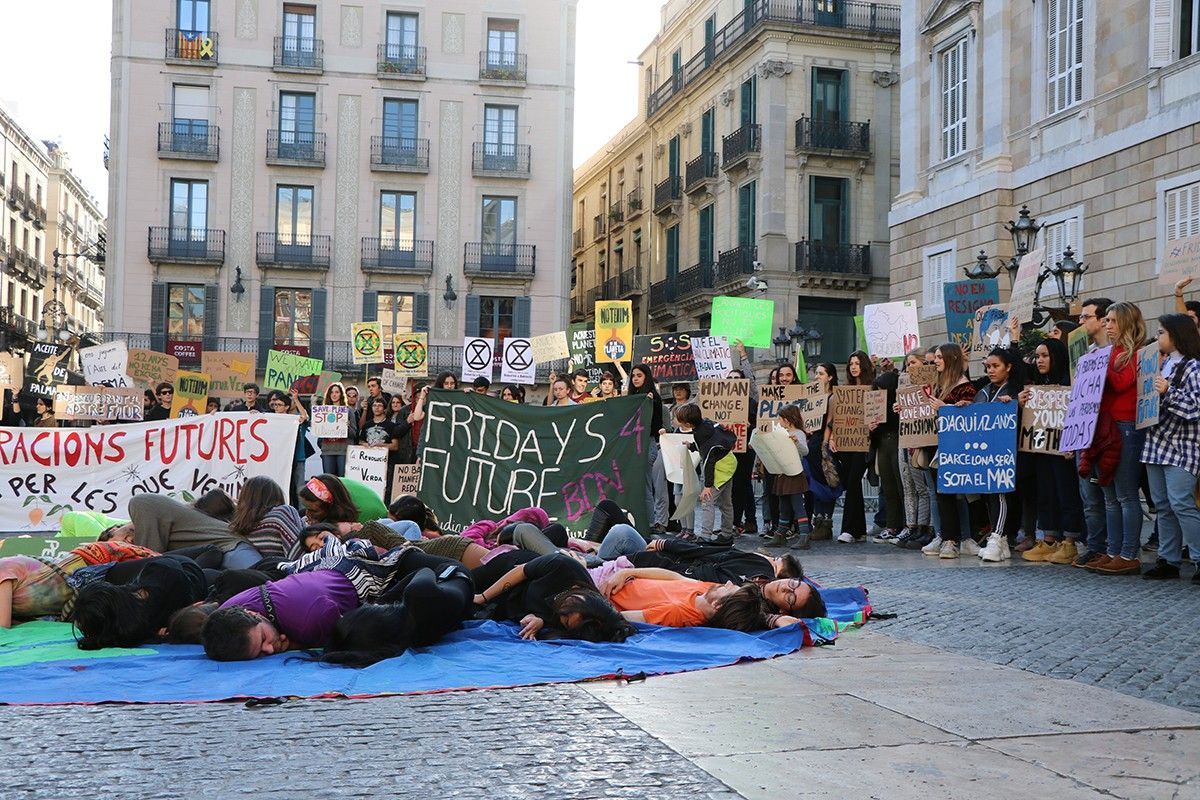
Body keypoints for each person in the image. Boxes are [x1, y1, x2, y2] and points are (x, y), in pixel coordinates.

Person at [1083, 301, 1147, 576]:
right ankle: (1113, 551)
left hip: (1125, 426)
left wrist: (1100, 363)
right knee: (1109, 495)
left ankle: (1128, 553)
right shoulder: (1110, 353)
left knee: (1125, 495)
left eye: (1111, 321)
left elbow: (1121, 383)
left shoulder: (1137, 354)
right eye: (1105, 320)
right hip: (1105, 428)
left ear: (1125, 323)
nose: (1107, 325)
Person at [1141, 313, 1200, 581]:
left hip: (1182, 446)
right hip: (1156, 443)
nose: (1157, 336)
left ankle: (1199, 558)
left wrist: (1168, 392)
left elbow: (1195, 407)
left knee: (1181, 504)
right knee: (1163, 505)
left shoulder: (1193, 368)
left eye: (1161, 332)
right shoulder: (1160, 365)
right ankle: (1169, 559)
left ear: (1176, 335)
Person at [1017, 337, 1086, 565]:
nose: (1039, 360)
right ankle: (1048, 538)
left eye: (1044, 356)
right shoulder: (1038, 384)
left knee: (1066, 492)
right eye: (1037, 356)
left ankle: (1070, 540)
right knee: (1045, 492)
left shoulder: (1070, 381)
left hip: (1063, 449)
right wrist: (1021, 402)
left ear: (1056, 357)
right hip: (1042, 448)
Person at [199, 569, 363, 660]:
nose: (270, 650)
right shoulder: (225, 614)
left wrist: (295, 644)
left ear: (254, 614)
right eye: (260, 653)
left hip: (359, 575)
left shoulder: (310, 622)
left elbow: (352, 638)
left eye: (264, 639)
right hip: (315, 573)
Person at [472, 552, 636, 642]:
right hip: (506, 574)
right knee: (466, 582)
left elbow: (548, 620)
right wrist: (483, 597)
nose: (562, 611)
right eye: (572, 606)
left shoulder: (577, 624)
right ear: (587, 601)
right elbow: (521, 571)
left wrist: (539, 621)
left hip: (507, 605)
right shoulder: (564, 567)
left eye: (564, 620)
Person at [917, 344, 986, 556]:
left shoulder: (964, 387)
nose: (935, 361)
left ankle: (953, 540)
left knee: (952, 494)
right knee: (942, 494)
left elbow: (968, 416)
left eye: (939, 357)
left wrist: (944, 408)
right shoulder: (938, 384)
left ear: (950, 359)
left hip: (954, 448)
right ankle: (949, 538)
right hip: (935, 445)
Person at [0, 540, 160, 628]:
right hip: (97, 594)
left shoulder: (3, 569)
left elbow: (2, 627)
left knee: (169, 568)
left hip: (95, 573)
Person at [71, 553, 210, 649]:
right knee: (211, 552)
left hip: (184, 588)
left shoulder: (130, 634)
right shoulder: (160, 574)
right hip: (190, 573)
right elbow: (169, 567)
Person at [598, 568, 795, 631]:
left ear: (717, 606)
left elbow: (616, 617)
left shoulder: (679, 612)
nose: (727, 582)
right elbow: (674, 577)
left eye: (729, 588)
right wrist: (625, 572)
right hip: (617, 573)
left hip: (599, 588)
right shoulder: (707, 591)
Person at [968, 346, 1026, 561]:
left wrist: (1014, 404)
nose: (991, 371)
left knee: (1000, 493)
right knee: (989, 495)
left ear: (1008, 367)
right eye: (988, 367)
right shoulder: (983, 392)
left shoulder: (1015, 390)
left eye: (995, 366)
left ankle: (998, 536)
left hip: (1006, 453)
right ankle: (1000, 542)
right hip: (985, 454)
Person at [1071, 297, 1114, 567]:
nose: (1081, 321)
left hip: (1108, 434)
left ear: (1101, 320)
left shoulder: (1116, 354)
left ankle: (1114, 548)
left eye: (1086, 317)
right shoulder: (1083, 357)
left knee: (1112, 496)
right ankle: (1095, 546)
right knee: (1089, 498)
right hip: (1084, 433)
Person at [117, 493, 263, 569]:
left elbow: (150, 559)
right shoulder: (175, 522)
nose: (128, 541)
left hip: (232, 549)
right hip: (230, 551)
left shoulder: (140, 503)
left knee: (268, 586)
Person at [674, 402, 736, 546]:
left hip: (719, 469)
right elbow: (710, 442)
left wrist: (707, 486)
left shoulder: (699, 434)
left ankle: (705, 536)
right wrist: (691, 446)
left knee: (707, 502)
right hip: (729, 462)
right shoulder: (707, 422)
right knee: (726, 503)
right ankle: (727, 534)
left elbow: (709, 461)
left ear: (689, 424)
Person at [829, 351, 875, 543]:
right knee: (851, 484)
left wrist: (873, 425)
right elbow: (837, 418)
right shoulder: (844, 390)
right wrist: (832, 437)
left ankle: (848, 529)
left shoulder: (873, 388)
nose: (853, 367)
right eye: (850, 364)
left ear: (864, 365)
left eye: (857, 363)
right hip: (845, 443)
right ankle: (859, 530)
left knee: (854, 481)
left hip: (865, 443)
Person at [628, 363, 669, 536]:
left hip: (647, 445)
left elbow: (655, 425)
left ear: (647, 377)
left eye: (639, 375)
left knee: (645, 486)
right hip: (632, 446)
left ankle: (651, 522)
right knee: (634, 485)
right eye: (634, 376)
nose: (636, 378)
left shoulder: (654, 399)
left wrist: (648, 405)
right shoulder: (632, 397)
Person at [766, 404, 811, 548]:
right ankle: (780, 535)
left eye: (780, 419)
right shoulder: (780, 432)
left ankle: (804, 536)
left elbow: (805, 452)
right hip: (782, 472)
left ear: (787, 419)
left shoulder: (799, 433)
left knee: (798, 505)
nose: (778, 421)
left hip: (795, 472)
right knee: (783, 506)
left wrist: (796, 442)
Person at [229, 475, 304, 558]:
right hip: (289, 568)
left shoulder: (238, 526)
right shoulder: (282, 513)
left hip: (263, 569)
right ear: (276, 495)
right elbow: (299, 551)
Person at [317, 382, 356, 476]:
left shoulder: (348, 410)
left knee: (343, 481)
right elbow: (318, 433)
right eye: (332, 392)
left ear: (341, 394)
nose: (334, 394)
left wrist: (347, 427)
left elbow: (354, 433)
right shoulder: (323, 411)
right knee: (329, 481)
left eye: (337, 392)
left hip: (343, 451)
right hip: (327, 451)